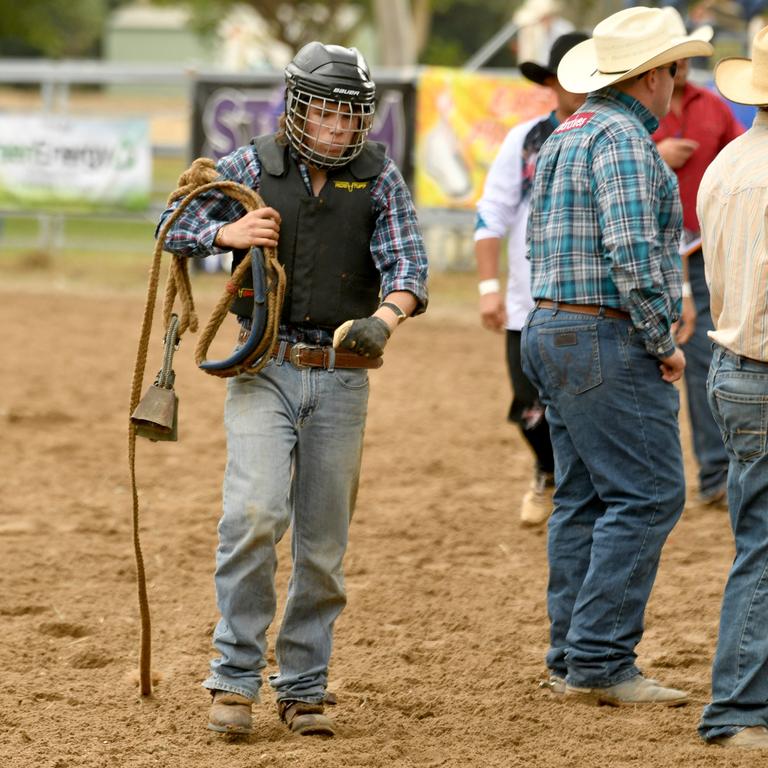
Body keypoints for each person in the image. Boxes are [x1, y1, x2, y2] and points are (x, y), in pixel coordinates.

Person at [157, 42, 428, 737]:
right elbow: (171, 225)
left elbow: (410, 265)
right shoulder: (249, 164)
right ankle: (234, 679)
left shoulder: (380, 179)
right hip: (262, 366)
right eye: (327, 115)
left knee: (322, 545)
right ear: (297, 108)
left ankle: (304, 685)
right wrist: (228, 229)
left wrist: (383, 318)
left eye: (351, 118)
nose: (339, 130)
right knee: (253, 515)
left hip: (341, 377)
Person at [521, 7, 712, 705]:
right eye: (676, 69)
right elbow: (632, 255)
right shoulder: (628, 145)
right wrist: (662, 340)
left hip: (552, 325)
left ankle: (572, 653)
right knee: (650, 492)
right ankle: (599, 658)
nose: (678, 81)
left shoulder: (567, 134)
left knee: (583, 497)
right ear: (655, 75)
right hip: (604, 332)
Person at [474, 32, 588, 526]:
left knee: (587, 404)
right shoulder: (527, 141)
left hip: (592, 303)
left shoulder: (620, 139)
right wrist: (487, 287)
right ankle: (547, 470)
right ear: (551, 82)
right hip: (528, 303)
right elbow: (491, 214)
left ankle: (580, 490)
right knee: (529, 405)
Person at [697, 26, 768, 750]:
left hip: (735, 363)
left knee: (758, 538)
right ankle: (740, 710)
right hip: (764, 365)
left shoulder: (726, 163)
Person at [652, 11, 744, 507]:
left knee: (704, 360)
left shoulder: (714, 108)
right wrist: (656, 152)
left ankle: (712, 476)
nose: (683, 64)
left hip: (704, 252)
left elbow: (742, 156)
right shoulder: (639, 117)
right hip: (652, 248)